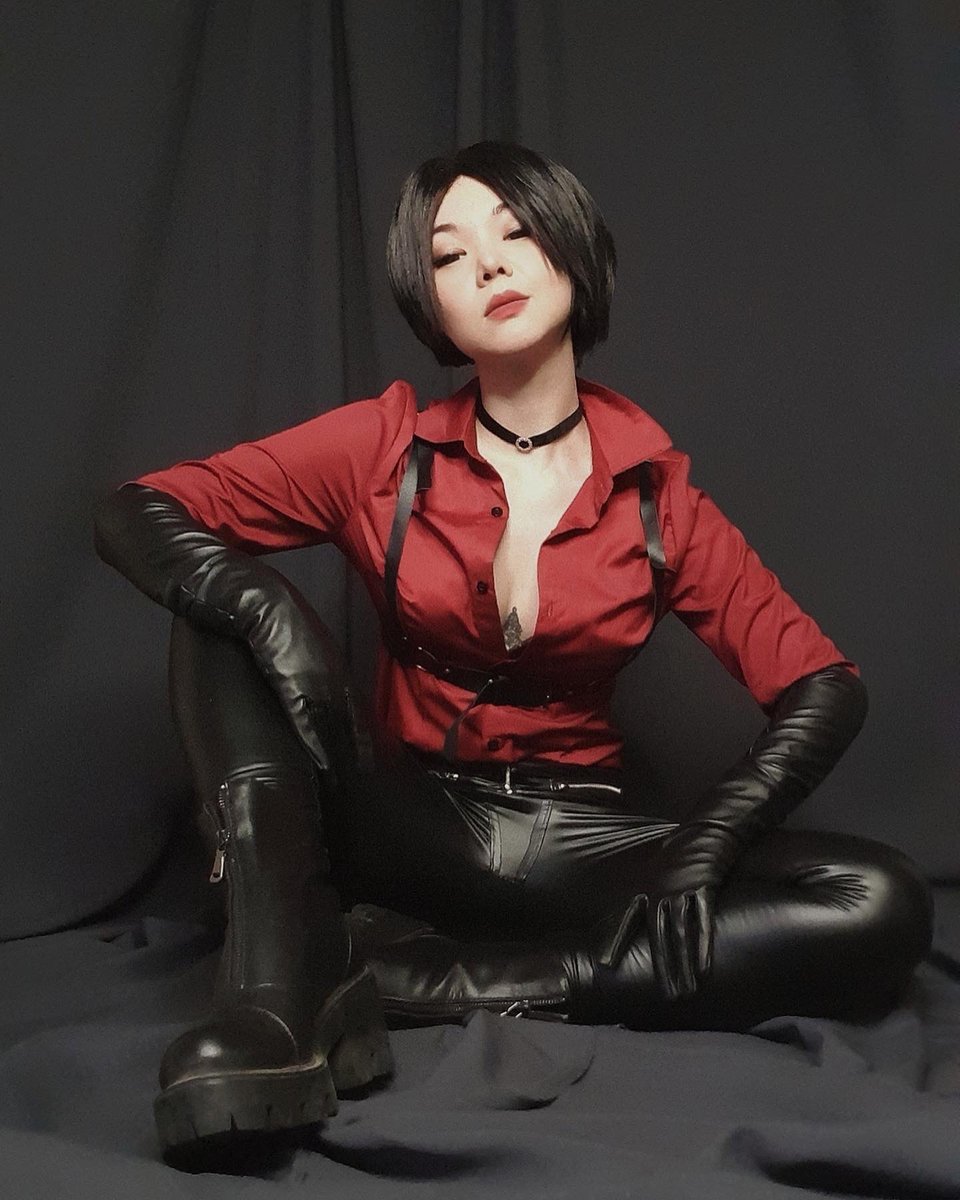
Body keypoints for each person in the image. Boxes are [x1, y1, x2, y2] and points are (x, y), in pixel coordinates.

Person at [94, 141, 933, 1154]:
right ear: (432, 306)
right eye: (448, 255)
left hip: (576, 849)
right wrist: (268, 609)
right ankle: (271, 999)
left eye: (515, 232)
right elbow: (140, 509)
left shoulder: (658, 497)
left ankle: (430, 979)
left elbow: (825, 684)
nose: (487, 264)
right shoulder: (383, 446)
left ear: (572, 251)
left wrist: (708, 842)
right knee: (213, 607)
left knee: (878, 900)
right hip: (406, 824)